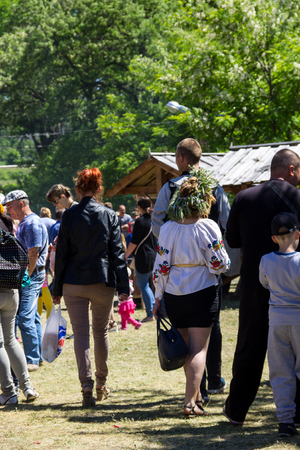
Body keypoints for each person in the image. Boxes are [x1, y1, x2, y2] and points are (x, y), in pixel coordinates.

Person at [223, 148, 300, 425]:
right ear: (291, 170)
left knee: (249, 346)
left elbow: (231, 240)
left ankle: (236, 410)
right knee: (296, 348)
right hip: (293, 285)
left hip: (255, 283)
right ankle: (297, 411)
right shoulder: (298, 197)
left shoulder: (244, 197)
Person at [152, 137, 229, 398]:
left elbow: (157, 221)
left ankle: (199, 392)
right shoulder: (216, 188)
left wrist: (174, 242)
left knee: (188, 338)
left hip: (175, 275)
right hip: (208, 271)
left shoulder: (169, 188)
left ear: (181, 158)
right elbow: (226, 222)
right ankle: (214, 379)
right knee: (210, 328)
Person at [52, 168, 129, 408]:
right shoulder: (109, 215)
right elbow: (117, 252)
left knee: (81, 334)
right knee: (100, 332)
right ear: (98, 189)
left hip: (73, 282)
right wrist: (124, 285)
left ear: (77, 189)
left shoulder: (69, 216)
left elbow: (62, 254)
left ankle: (85, 384)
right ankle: (100, 383)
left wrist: (56, 289)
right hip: (102, 280)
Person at [259, 212, 300, 437]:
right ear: (298, 234)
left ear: (274, 238)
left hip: (276, 321)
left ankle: (285, 422)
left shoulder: (266, 260)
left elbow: (263, 283)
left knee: (281, 371)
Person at [3, 190, 48, 372]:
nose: (8, 211)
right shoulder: (26, 222)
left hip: (32, 274)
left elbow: (33, 253)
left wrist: (26, 275)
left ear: (21, 203)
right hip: (33, 273)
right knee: (34, 317)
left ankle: (32, 360)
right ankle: (38, 355)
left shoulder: (31, 224)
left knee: (25, 318)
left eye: (10, 207)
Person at [0, 213, 39, 405]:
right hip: (12, 290)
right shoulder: (7, 223)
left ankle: (8, 392)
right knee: (11, 341)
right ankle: (27, 386)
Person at [125, 197, 157, 323]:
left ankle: (150, 313)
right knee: (150, 285)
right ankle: (155, 310)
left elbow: (134, 241)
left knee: (143, 284)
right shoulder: (154, 220)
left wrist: (126, 255)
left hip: (143, 256)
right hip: (154, 255)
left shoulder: (139, 222)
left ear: (139, 207)